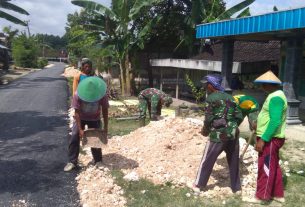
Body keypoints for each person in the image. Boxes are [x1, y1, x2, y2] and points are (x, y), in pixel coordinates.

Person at [193, 74, 243, 193]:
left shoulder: (211, 98)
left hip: (218, 134)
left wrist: (205, 131)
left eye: (207, 84)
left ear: (212, 85)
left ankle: (199, 185)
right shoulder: (231, 98)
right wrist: (232, 126)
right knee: (233, 159)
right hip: (233, 133)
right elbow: (239, 116)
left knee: (208, 159)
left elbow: (208, 118)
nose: (205, 86)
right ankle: (236, 188)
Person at [245, 70, 287, 204]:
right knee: (272, 165)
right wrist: (259, 122)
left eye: (264, 84)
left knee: (266, 167)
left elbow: (275, 121)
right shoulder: (275, 95)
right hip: (270, 137)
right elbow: (269, 117)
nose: (262, 87)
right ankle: (278, 194)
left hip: (270, 138)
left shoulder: (276, 98)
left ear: (270, 84)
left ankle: (263, 195)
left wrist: (263, 139)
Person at [64, 76, 109, 172]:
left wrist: (105, 127)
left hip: (95, 118)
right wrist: (80, 129)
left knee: (96, 138)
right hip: (81, 117)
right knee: (75, 136)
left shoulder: (102, 95)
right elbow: (76, 112)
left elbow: (105, 110)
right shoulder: (78, 94)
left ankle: (98, 160)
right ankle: (72, 162)